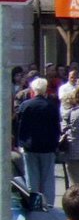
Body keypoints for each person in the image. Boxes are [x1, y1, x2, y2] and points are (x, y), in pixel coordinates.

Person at [14, 77, 59, 207]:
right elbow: (56, 127)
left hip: (30, 146)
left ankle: (34, 205)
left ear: (32, 90)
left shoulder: (25, 105)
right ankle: (49, 206)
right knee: (48, 179)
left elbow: (20, 126)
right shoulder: (51, 106)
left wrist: (20, 143)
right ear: (45, 90)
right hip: (48, 147)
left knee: (32, 178)